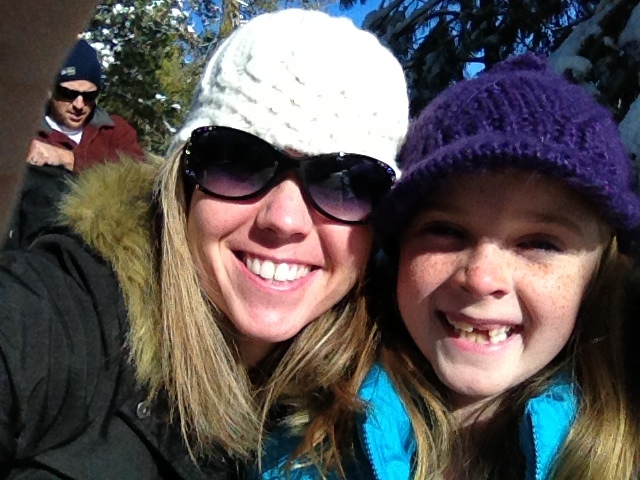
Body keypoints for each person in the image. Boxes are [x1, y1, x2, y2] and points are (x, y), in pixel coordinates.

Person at [0, 7, 409, 479]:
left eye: (343, 184)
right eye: (238, 161)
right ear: (184, 180)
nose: (284, 220)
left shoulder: (385, 399)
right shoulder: (72, 311)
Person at [258, 54, 640, 479]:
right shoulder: (298, 443)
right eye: (445, 231)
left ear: (600, 275)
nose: (481, 278)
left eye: (539, 243)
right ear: (397, 251)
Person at [4, 39, 145, 249]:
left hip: (99, 248)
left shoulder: (115, 132)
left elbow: (138, 182)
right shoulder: (22, 131)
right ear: (51, 89)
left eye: (89, 96)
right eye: (68, 94)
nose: (79, 105)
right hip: (30, 248)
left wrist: (70, 159)